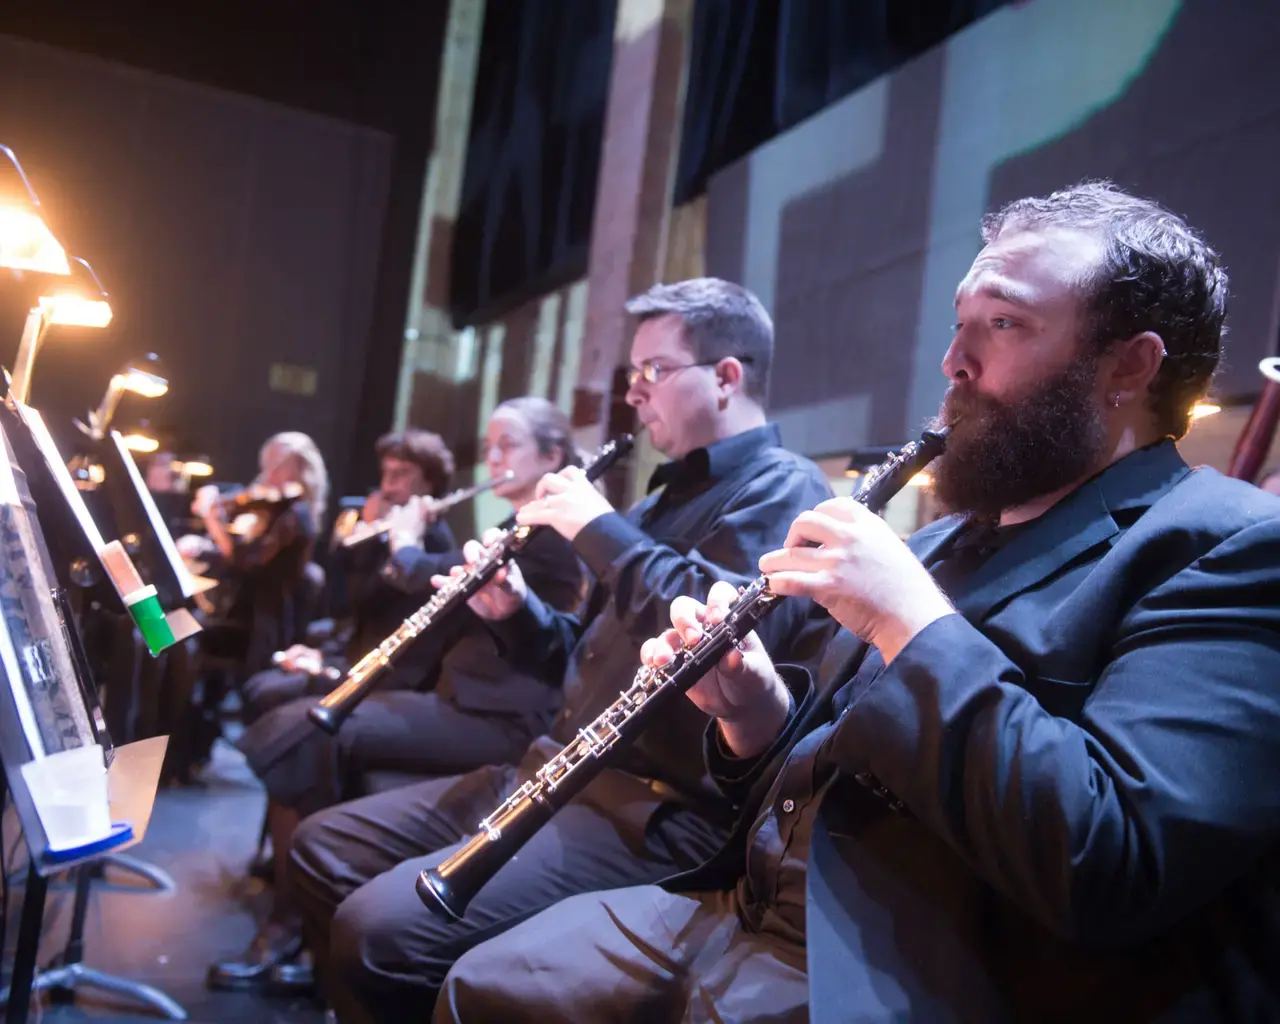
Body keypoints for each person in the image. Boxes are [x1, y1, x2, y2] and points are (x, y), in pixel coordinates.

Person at [434, 183, 1280, 1023]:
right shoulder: (943, 542)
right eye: (960, 322)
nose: (954, 360)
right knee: (476, 988)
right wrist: (757, 715)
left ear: (1128, 365)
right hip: (751, 904)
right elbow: (831, 758)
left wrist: (910, 621)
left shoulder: (1230, 543)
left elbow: (1112, 859)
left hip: (920, 965)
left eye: (1005, 323)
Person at [287, 278, 835, 1021]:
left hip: (647, 810)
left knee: (377, 933)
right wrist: (515, 613)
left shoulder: (786, 489)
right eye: (632, 374)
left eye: (653, 371)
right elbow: (583, 657)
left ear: (727, 378)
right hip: (549, 769)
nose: (634, 395)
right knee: (323, 848)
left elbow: (723, 628)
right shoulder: (656, 504)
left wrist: (595, 526)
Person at [209, 400, 584, 991]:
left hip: (502, 716)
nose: (492, 458)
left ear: (553, 455)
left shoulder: (555, 534)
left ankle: (294, 932)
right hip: (459, 697)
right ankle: (301, 919)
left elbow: (436, 581)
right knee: (314, 725)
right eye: (488, 445)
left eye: (507, 445)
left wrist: (407, 541)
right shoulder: (521, 525)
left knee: (316, 731)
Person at [240, 427, 459, 724]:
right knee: (260, 686)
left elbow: (364, 606)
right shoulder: (391, 534)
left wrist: (326, 662)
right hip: (356, 654)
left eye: (403, 473)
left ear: (430, 481)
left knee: (266, 692)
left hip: (384, 674)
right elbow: (343, 609)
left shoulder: (430, 545)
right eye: (386, 472)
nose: (388, 485)